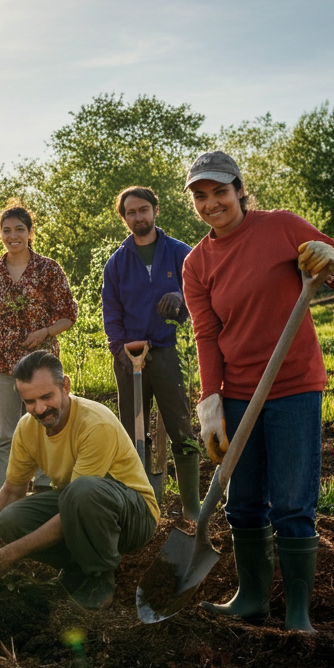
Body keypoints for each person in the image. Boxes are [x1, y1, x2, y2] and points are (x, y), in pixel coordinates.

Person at [182, 150, 334, 632]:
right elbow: (207, 335)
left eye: (220, 191)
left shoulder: (280, 226)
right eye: (201, 195)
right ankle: (251, 597)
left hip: (294, 385)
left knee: (293, 502)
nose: (212, 203)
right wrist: (211, 402)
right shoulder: (197, 264)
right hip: (238, 393)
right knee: (242, 502)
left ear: (239, 189)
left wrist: (330, 259)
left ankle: (298, 612)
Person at [0, 350, 158, 610]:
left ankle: (99, 578)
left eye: (46, 397)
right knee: (10, 520)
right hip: (80, 504)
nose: (39, 409)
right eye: (30, 401)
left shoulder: (94, 424)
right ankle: (76, 572)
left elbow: (78, 502)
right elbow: (11, 490)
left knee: (82, 491)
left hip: (134, 515)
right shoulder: (28, 428)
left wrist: (7, 555)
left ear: (65, 386)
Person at [102, 186, 200, 519]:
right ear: (124, 218)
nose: (138, 217)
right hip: (130, 357)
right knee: (132, 434)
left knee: (182, 431)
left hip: (169, 351)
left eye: (144, 209)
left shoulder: (180, 253)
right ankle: (139, 508)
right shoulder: (117, 263)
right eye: (131, 212)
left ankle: (190, 509)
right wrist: (120, 350)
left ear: (156, 211)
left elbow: (202, 295)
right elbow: (111, 312)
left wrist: (182, 301)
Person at [0, 200, 77, 488]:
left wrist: (44, 332)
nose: (13, 236)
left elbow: (68, 315)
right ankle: (8, 493)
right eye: (7, 231)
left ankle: (46, 487)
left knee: (48, 425)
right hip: (2, 364)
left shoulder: (48, 269)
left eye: (19, 229)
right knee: (6, 434)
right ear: (0, 234)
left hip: (41, 365)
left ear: (31, 233)